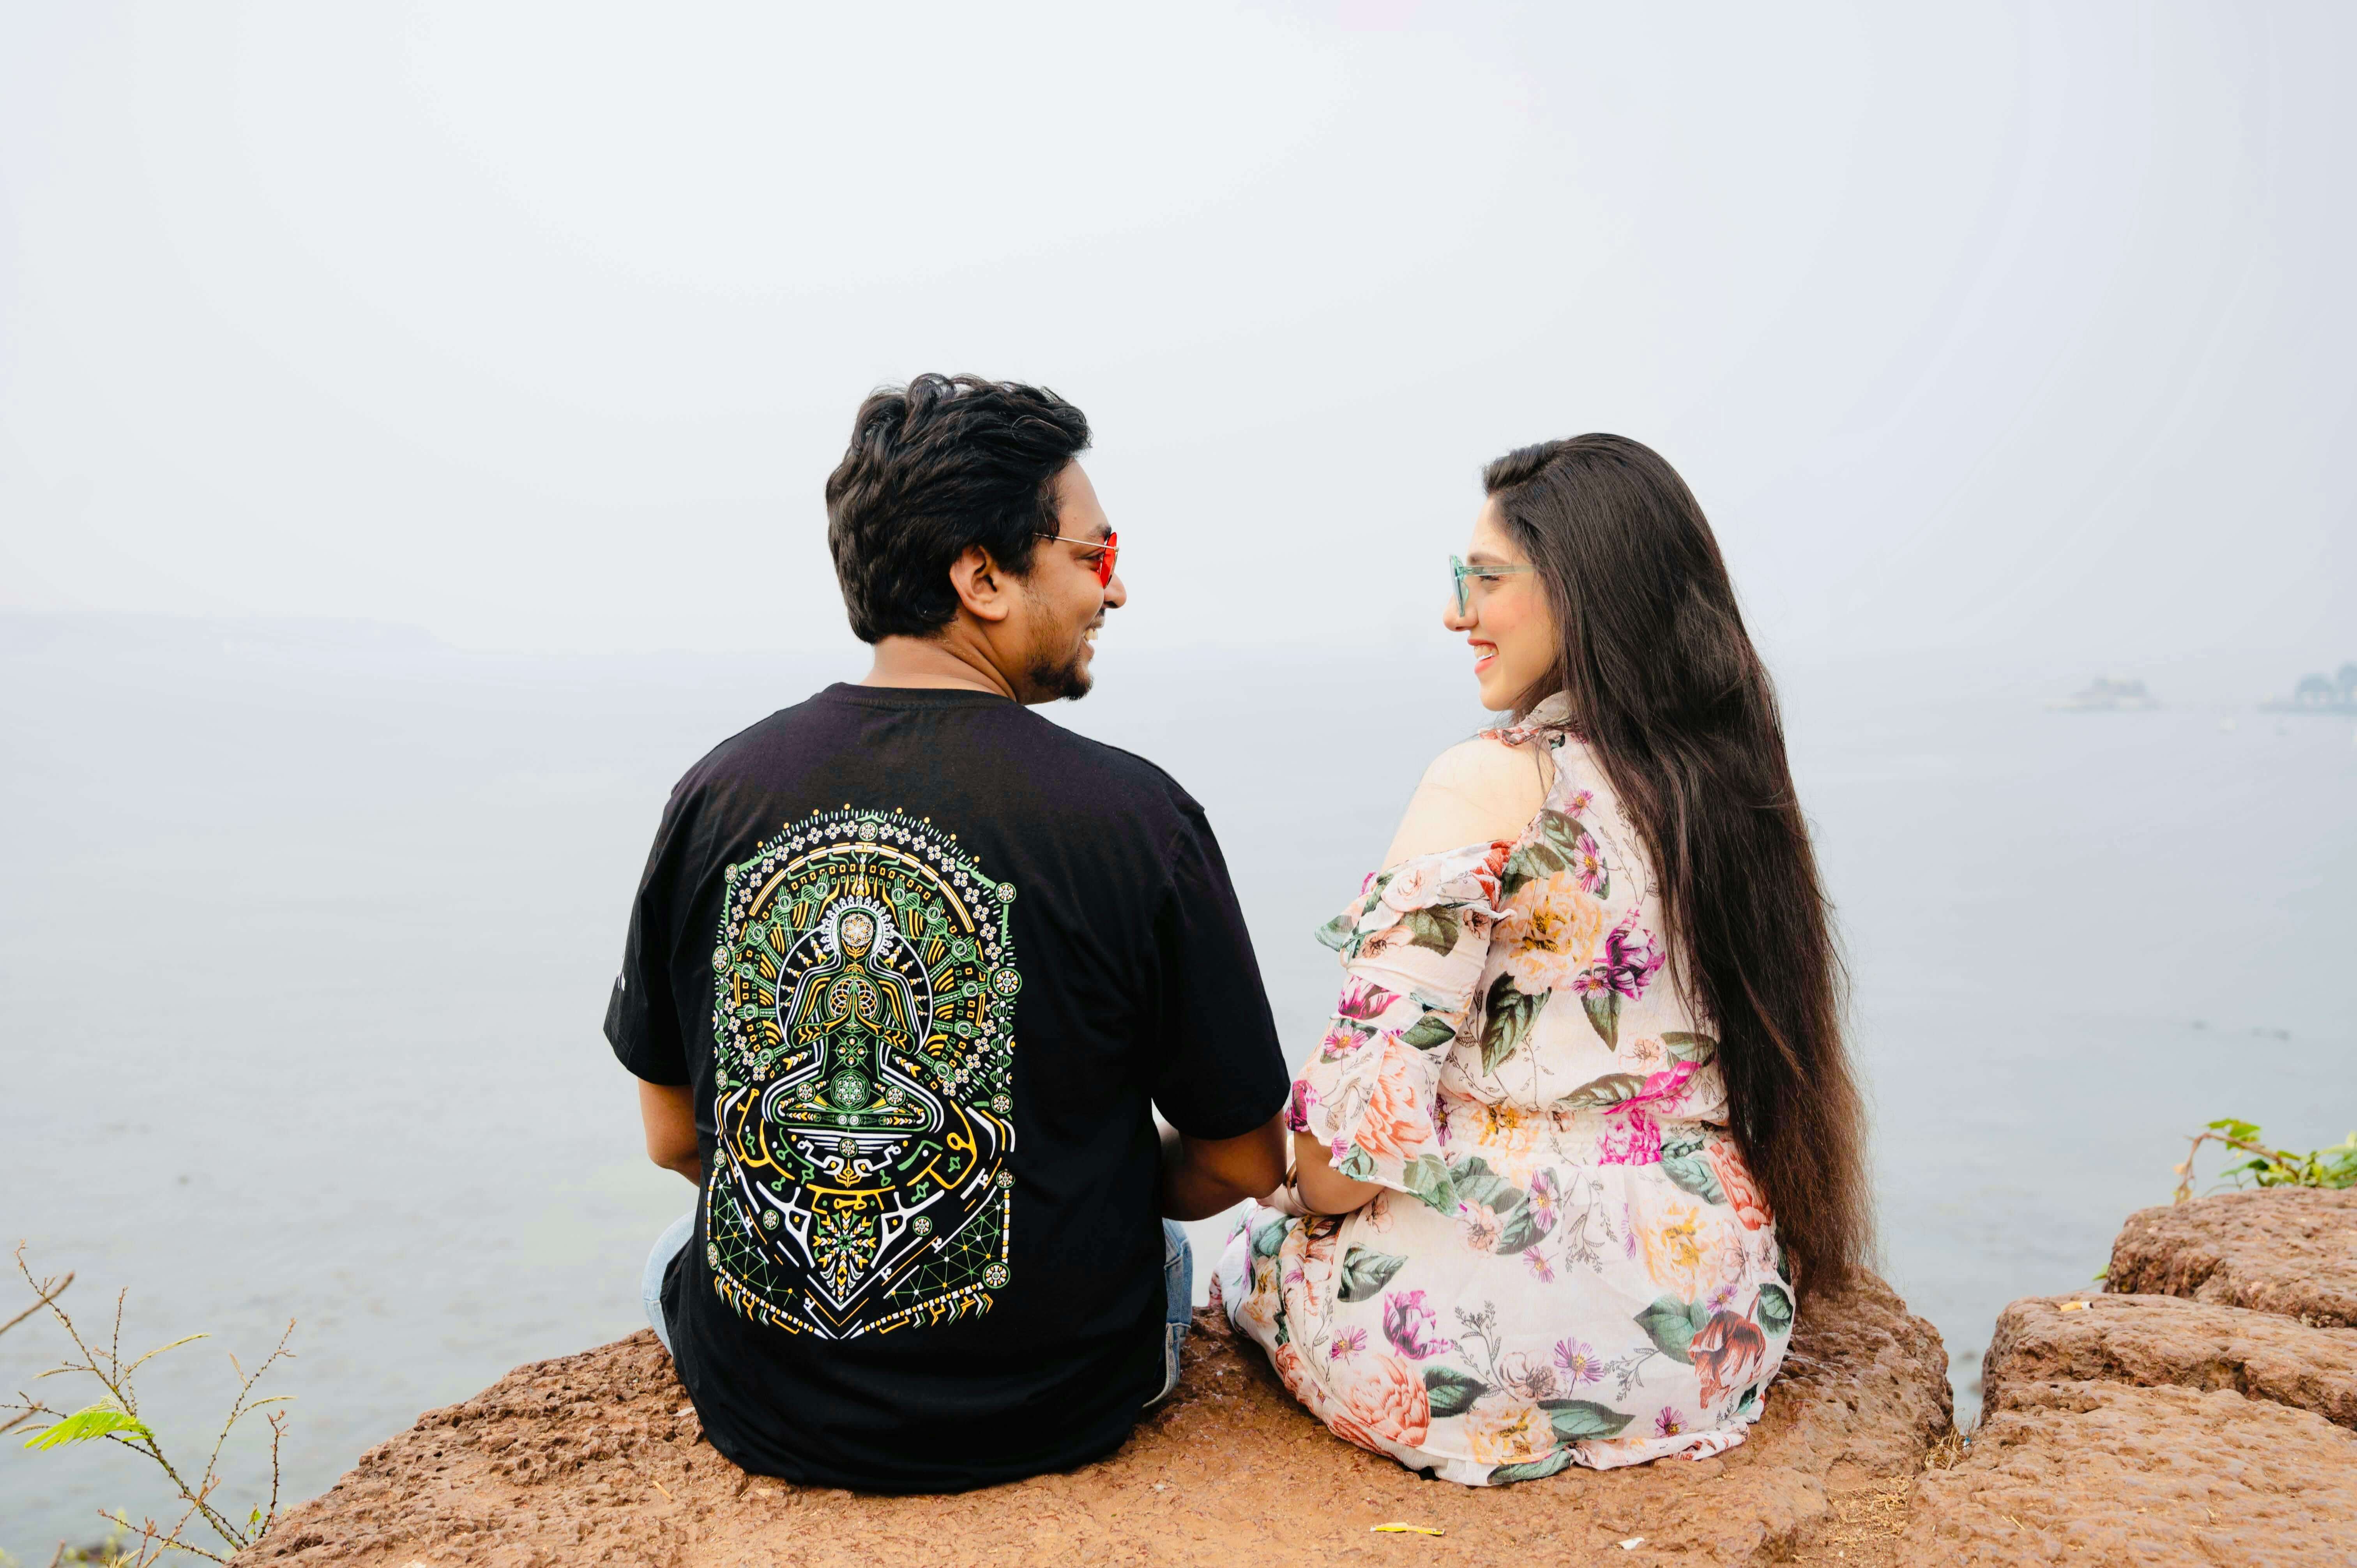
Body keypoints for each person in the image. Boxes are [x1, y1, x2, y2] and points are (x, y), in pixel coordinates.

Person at [606, 374, 1290, 1492]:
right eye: (1096, 558)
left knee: (666, 1264)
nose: (1114, 595)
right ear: (982, 577)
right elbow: (1245, 1158)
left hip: (771, 1408)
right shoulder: (1137, 817)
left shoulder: (716, 793)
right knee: (1163, 1254)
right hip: (1059, 1407)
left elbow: (681, 1143)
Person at [1217, 434, 1869, 1485]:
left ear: (1580, 587)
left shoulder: (1487, 784)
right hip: (1707, 1331)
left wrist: (1282, 1200)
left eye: (1484, 580)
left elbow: (1348, 1151)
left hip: (1484, 1326)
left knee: (1255, 1263)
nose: (1455, 614)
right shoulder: (1729, 787)